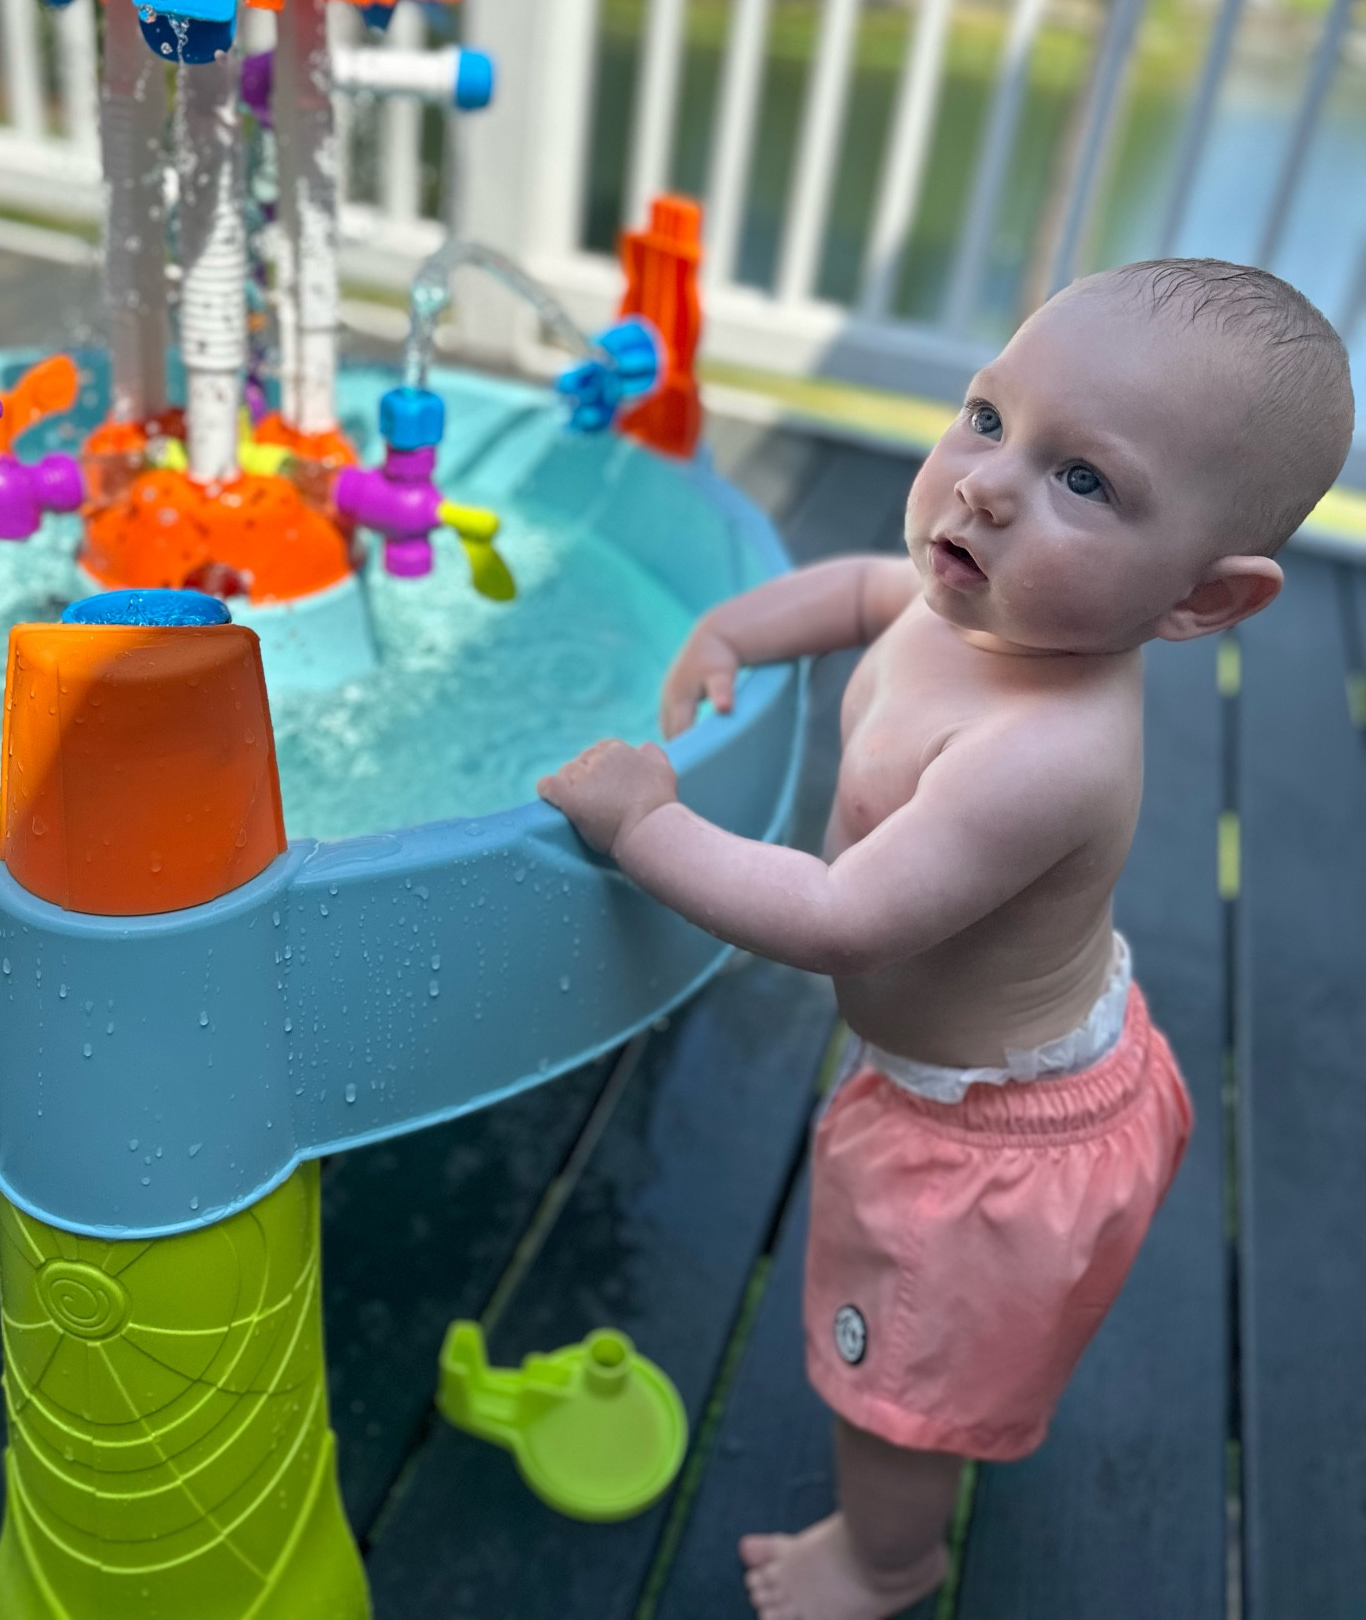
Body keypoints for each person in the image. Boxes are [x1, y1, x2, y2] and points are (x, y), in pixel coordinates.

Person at [538, 259, 1353, 1620]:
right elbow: (867, 593)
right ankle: (961, 1414)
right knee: (947, 1352)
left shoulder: (1047, 751)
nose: (985, 483)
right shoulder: (982, 594)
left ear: (1202, 602)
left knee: (900, 1387)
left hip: (993, 1151)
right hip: (981, 1075)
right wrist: (739, 624)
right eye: (988, 416)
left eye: (1084, 481)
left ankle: (890, 1561)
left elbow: (839, 915)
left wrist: (641, 829)